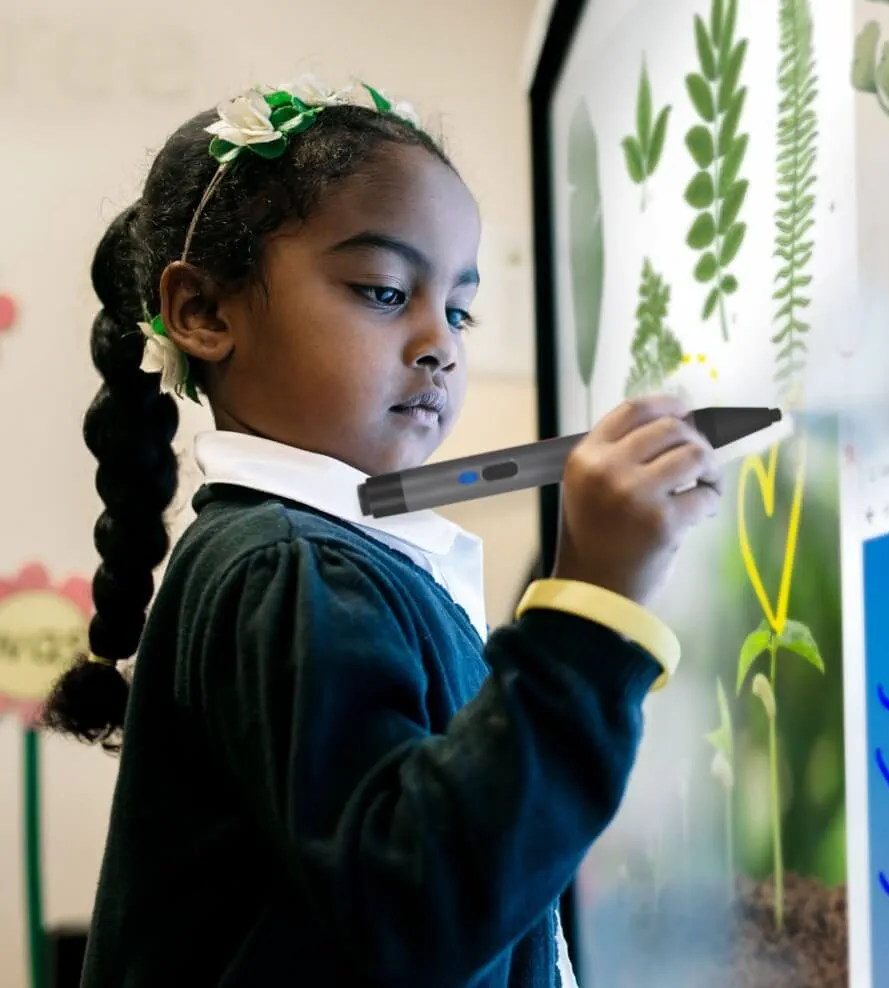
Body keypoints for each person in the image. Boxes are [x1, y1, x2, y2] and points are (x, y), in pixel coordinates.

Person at [41, 75, 722, 988]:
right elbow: (418, 901)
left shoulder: (320, 557)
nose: (441, 343)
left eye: (460, 309)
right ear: (203, 313)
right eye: (385, 291)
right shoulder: (289, 568)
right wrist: (594, 607)